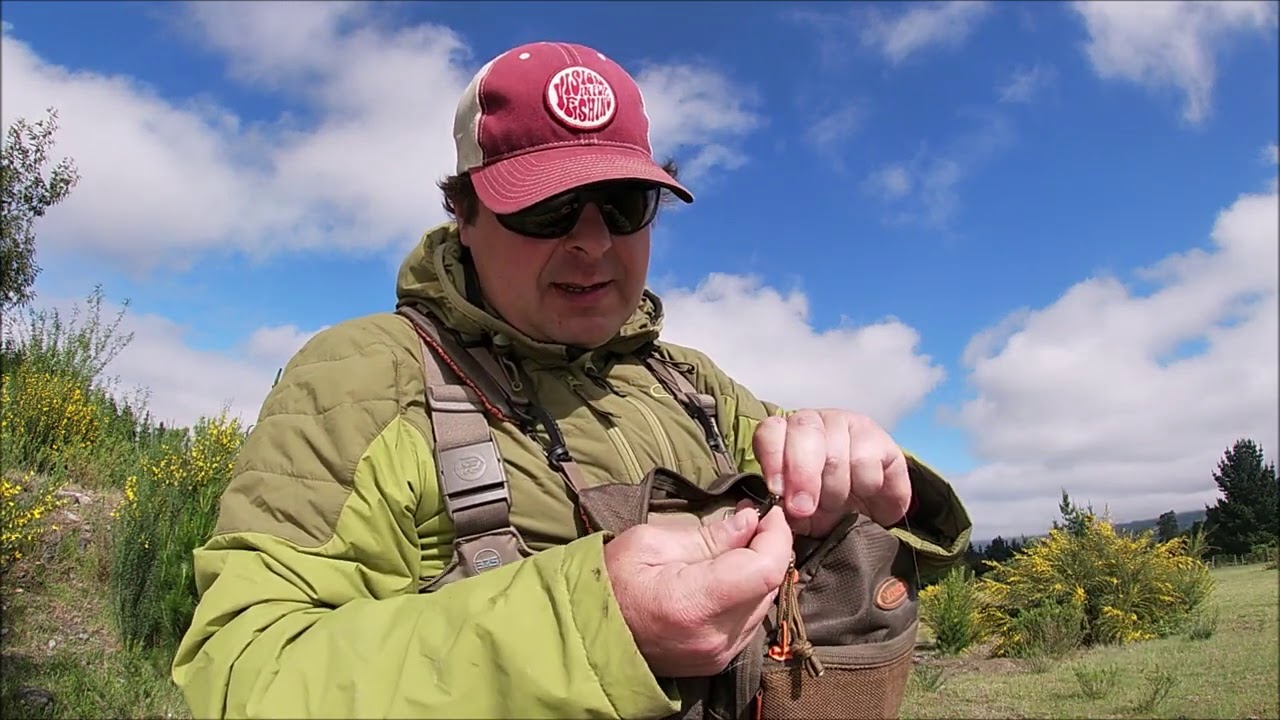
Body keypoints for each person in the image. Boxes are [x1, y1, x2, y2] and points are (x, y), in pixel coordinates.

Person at [171, 40, 972, 719]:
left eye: (623, 204)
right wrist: (591, 626)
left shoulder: (692, 382)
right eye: (547, 208)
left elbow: (885, 543)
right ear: (464, 213)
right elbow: (241, 672)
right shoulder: (363, 378)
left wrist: (862, 465)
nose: (593, 242)